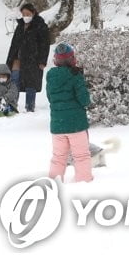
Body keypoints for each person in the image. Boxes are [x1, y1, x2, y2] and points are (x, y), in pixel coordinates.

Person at [46, 43, 93, 183]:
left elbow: (50, 98)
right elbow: (84, 100)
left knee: (58, 157)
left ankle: (54, 181)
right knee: (81, 156)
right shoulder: (75, 75)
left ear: (56, 60)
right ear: (72, 58)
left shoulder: (50, 76)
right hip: (76, 125)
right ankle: (84, 181)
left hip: (57, 126)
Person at [5, 3, 50, 112]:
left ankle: (30, 107)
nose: (25, 16)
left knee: (31, 83)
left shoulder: (40, 26)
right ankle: (12, 105)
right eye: (23, 14)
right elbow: (14, 43)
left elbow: (45, 44)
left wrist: (42, 60)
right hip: (17, 58)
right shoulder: (20, 26)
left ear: (33, 13)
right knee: (14, 81)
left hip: (33, 59)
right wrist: (9, 60)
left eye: (28, 14)